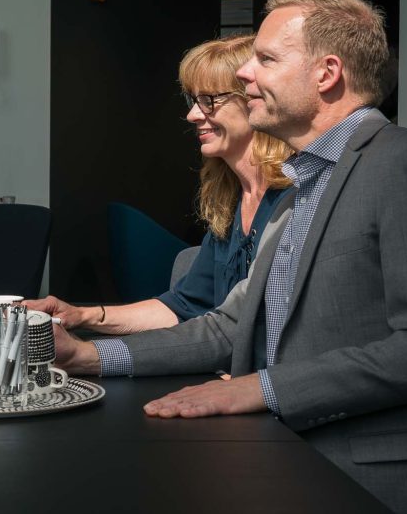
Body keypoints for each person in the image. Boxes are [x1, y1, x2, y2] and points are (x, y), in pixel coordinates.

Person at [53, 0, 407, 514]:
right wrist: (86, 358)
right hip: (287, 462)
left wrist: (262, 387)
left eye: (266, 59)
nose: (244, 75)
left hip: (370, 481)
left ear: (327, 73)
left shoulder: (404, 161)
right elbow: (228, 326)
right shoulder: (308, 184)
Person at [27, 34, 292, 334]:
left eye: (209, 101)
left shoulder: (296, 199)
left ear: (255, 100)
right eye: (193, 100)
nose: (193, 115)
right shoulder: (232, 202)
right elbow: (182, 306)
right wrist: (81, 316)